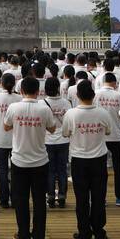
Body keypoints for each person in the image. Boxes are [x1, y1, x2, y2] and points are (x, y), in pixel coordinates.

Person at [4, 75, 57, 239]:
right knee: (39, 199)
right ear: (38, 91)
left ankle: (24, 234)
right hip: (40, 160)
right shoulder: (44, 109)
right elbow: (52, 128)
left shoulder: (14, 107)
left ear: (21, 91)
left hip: (19, 160)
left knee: (21, 199)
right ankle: (39, 235)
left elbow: (6, 126)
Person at [64, 79, 115, 239]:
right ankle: (99, 231)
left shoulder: (71, 114)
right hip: (99, 160)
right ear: (93, 95)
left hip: (79, 160)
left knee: (82, 198)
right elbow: (108, 131)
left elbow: (65, 133)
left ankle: (84, 232)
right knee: (99, 197)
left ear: (77, 95)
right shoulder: (103, 113)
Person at [0, 73, 20, 209]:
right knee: (15, 169)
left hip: (0, 137)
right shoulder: (19, 98)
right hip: (16, 138)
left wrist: (2, 122)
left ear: (1, 83)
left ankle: (3, 199)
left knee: (2, 169)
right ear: (14, 83)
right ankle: (15, 197)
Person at [96, 72, 120, 206]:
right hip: (116, 135)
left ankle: (100, 198)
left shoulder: (96, 95)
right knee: (118, 168)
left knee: (100, 169)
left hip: (100, 136)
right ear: (115, 83)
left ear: (103, 82)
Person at [42, 76, 71, 208]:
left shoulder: (42, 104)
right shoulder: (66, 103)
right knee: (62, 169)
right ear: (58, 88)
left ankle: (51, 196)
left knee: (50, 170)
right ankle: (62, 195)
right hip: (63, 140)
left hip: (47, 140)